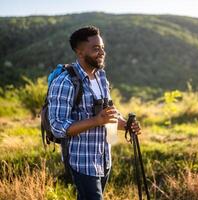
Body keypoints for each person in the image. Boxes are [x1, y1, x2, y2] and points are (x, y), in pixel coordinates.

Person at [48, 26, 141, 200]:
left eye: (102, 48)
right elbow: (57, 126)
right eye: (95, 49)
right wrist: (96, 121)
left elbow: (109, 114)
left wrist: (126, 125)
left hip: (104, 158)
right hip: (82, 161)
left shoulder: (101, 77)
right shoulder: (65, 82)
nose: (101, 52)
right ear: (80, 52)